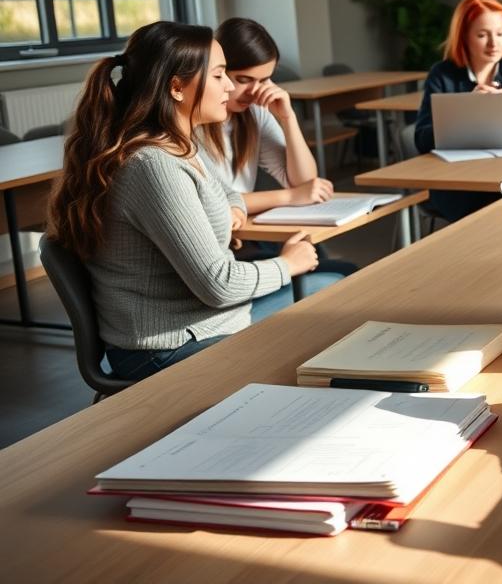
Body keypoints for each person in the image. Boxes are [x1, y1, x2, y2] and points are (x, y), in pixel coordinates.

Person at [47, 22, 334, 382]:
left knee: (336, 293)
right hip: (168, 350)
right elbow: (219, 284)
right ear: (177, 87)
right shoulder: (153, 166)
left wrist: (230, 209)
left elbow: (227, 194)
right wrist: (286, 264)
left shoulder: (179, 147)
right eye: (218, 76)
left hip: (206, 327)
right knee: (332, 309)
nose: (229, 86)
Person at [200, 17, 357, 276]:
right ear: (218, 72)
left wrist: (287, 118)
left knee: (328, 262)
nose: (254, 91)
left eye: (264, 80)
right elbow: (216, 204)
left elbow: (305, 182)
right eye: (244, 79)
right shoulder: (193, 124)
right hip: (223, 248)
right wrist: (291, 197)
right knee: (340, 271)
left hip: (244, 234)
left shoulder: (255, 114)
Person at [413, 0, 502, 222]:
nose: (494, 43)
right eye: (482, 35)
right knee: (499, 212)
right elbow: (422, 139)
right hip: (458, 184)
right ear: (464, 37)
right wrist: (467, 110)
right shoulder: (442, 74)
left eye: (500, 34)